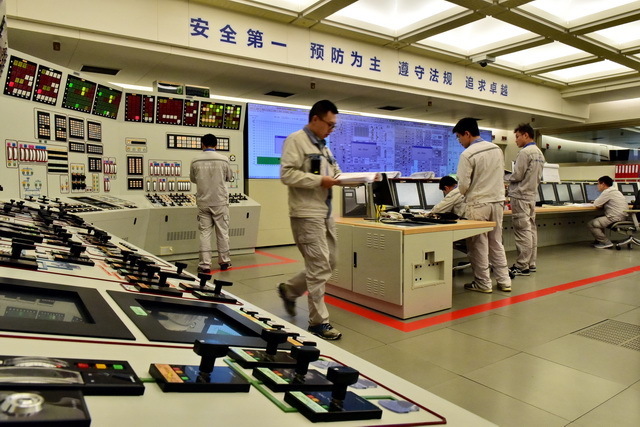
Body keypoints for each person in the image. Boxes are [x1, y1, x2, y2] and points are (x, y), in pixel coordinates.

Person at [277, 100, 343, 340]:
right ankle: (318, 323)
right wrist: (319, 181)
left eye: (334, 126)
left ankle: (289, 290)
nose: (331, 129)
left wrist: (350, 178)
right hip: (306, 214)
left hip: (325, 213)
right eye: (329, 124)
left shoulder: (324, 147)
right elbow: (287, 174)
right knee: (319, 266)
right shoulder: (296, 140)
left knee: (330, 261)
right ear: (315, 119)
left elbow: (335, 171)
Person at [454, 117, 512, 293]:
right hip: (498, 201)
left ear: (467, 133)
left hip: (478, 203)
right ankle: (504, 281)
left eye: (459, 137)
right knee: (496, 242)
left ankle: (483, 283)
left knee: (478, 244)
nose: (459, 141)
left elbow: (463, 185)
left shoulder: (468, 154)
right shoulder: (496, 149)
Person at [189, 133, 234, 273]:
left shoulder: (195, 160)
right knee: (222, 232)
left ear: (202, 144)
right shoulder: (223, 159)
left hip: (203, 201)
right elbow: (229, 177)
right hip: (220, 201)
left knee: (205, 233)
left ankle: (204, 264)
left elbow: (193, 179)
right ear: (216, 145)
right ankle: (224, 261)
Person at [507, 123, 545, 276]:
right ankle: (531, 263)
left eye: (517, 137)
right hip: (531, 196)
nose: (516, 140)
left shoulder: (525, 152)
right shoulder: (539, 153)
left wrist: (505, 177)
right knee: (531, 230)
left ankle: (522, 265)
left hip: (520, 196)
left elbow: (517, 175)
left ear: (526, 135)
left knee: (522, 231)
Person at [588, 175, 628, 249]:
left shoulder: (607, 192)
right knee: (597, 218)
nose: (597, 186)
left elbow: (596, 204)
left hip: (614, 217)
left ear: (603, 184)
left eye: (598, 184)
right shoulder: (616, 191)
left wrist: (596, 202)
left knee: (591, 224)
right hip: (622, 216)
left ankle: (606, 242)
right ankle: (599, 241)